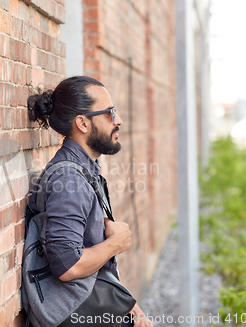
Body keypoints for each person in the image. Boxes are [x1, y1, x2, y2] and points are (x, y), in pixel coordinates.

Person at [27, 76, 153, 327]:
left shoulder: (85, 171)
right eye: (109, 113)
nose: (118, 120)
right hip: (70, 312)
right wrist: (116, 243)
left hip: (85, 301)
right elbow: (68, 266)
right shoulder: (69, 179)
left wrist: (129, 304)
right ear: (83, 123)